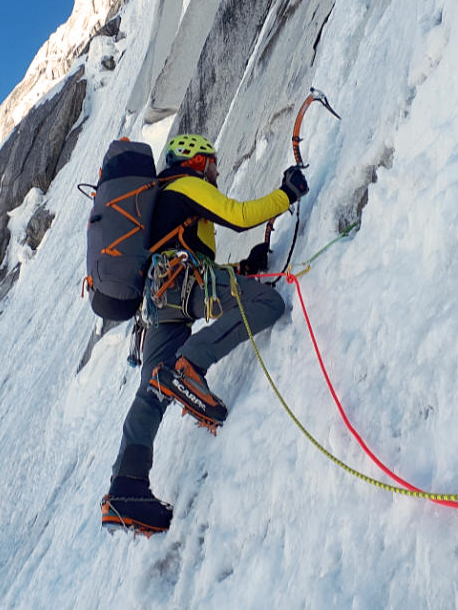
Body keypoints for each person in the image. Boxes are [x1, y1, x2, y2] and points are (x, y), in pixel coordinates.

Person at [101, 133, 309, 535]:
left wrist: (242, 270)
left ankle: (127, 488)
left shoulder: (161, 200)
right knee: (267, 304)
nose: (216, 169)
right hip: (181, 283)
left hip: (159, 302)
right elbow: (240, 214)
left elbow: (190, 256)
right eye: (212, 161)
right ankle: (190, 365)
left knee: (151, 393)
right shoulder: (185, 184)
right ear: (195, 158)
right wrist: (287, 192)